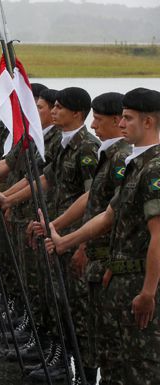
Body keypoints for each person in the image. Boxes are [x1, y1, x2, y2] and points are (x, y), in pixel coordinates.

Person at [45, 87, 160, 384]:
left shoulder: (154, 169)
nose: (121, 124)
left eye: (128, 118)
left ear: (148, 122)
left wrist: (148, 292)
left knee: (140, 369)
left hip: (139, 287)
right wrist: (64, 240)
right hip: (120, 281)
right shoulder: (138, 164)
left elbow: (158, 236)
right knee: (115, 365)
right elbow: (109, 216)